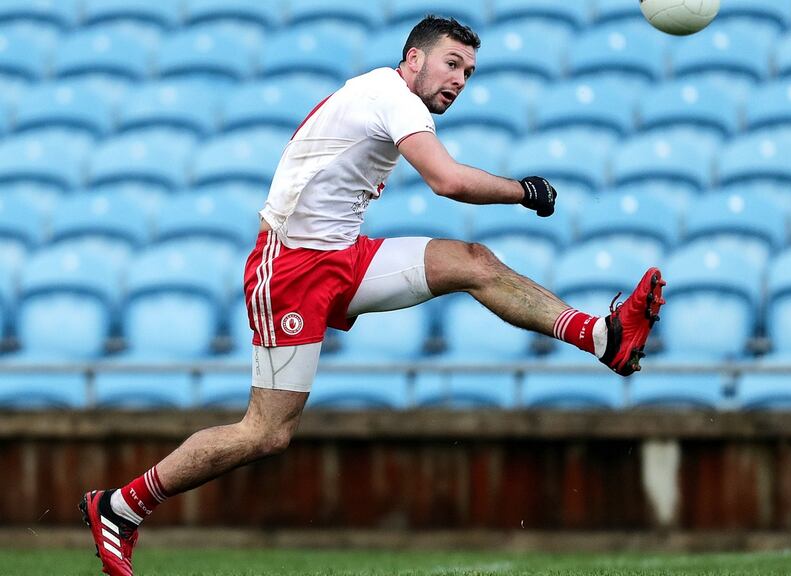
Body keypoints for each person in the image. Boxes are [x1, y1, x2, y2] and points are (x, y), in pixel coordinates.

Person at [80, 16, 665, 575]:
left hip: (344, 255)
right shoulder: (391, 97)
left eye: (469, 72)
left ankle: (603, 336)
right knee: (267, 432)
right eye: (451, 64)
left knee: (473, 262)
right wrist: (523, 190)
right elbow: (448, 180)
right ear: (414, 59)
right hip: (290, 270)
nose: (460, 80)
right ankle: (121, 507)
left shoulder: (387, 95)